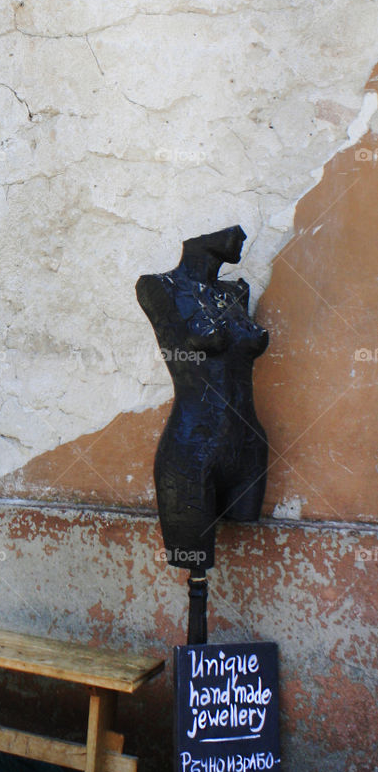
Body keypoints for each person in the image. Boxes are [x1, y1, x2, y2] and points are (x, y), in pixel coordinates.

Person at [136, 225, 269, 573]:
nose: (240, 236)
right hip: (191, 447)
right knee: (193, 563)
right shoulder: (158, 287)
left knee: (236, 550)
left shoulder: (236, 292)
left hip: (249, 445)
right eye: (232, 231)